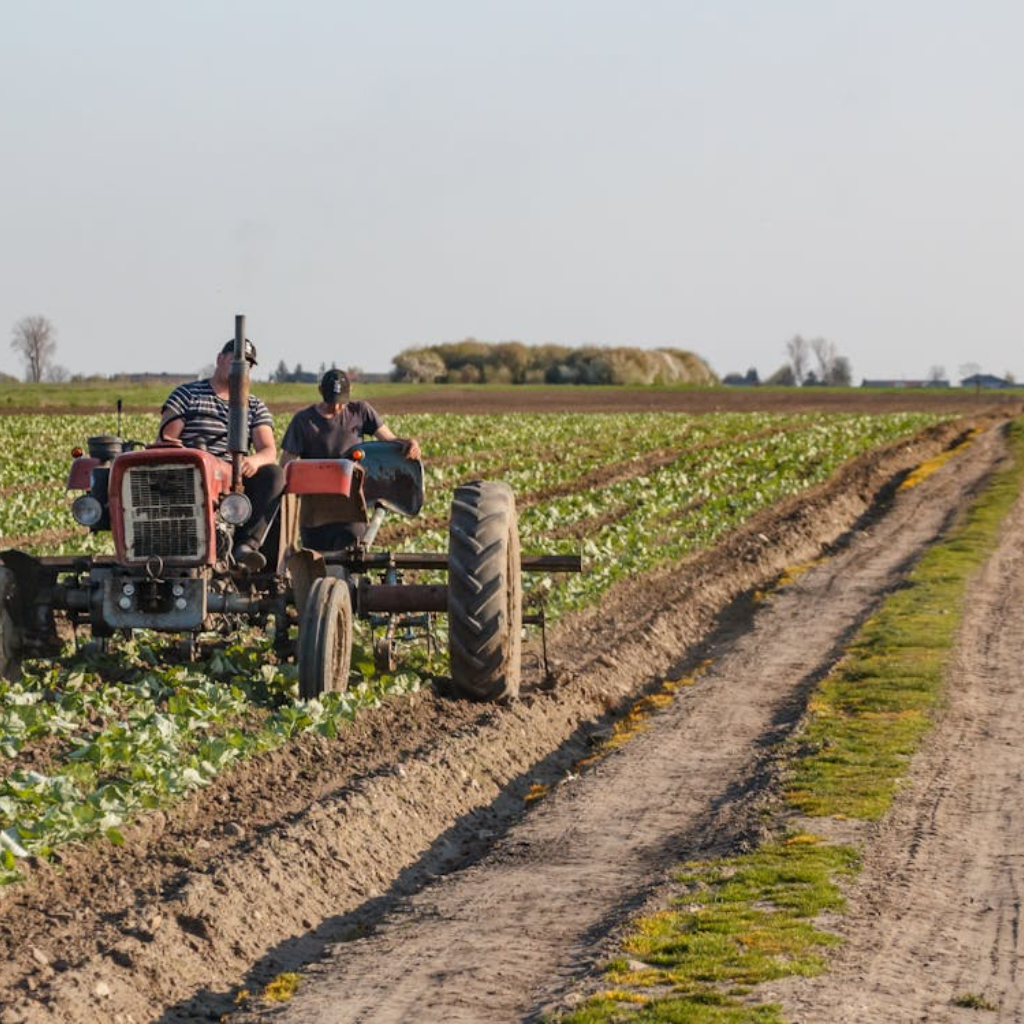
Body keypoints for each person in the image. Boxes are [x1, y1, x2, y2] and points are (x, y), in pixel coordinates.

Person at [158, 338, 286, 571]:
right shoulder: (187, 395)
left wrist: (254, 460)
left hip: (232, 474)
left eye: (248, 364)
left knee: (274, 475)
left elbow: (268, 450)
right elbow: (167, 439)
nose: (241, 367)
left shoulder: (254, 405)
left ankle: (246, 545)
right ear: (220, 359)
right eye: (236, 360)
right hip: (190, 470)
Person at [280, 368, 420, 550]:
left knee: (351, 561)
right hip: (315, 510)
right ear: (320, 392)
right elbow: (286, 466)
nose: (337, 408)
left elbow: (390, 442)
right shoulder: (304, 421)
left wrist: (409, 444)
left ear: (350, 392)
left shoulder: (360, 412)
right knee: (316, 561)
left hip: (350, 507)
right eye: (331, 402)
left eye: (341, 402)